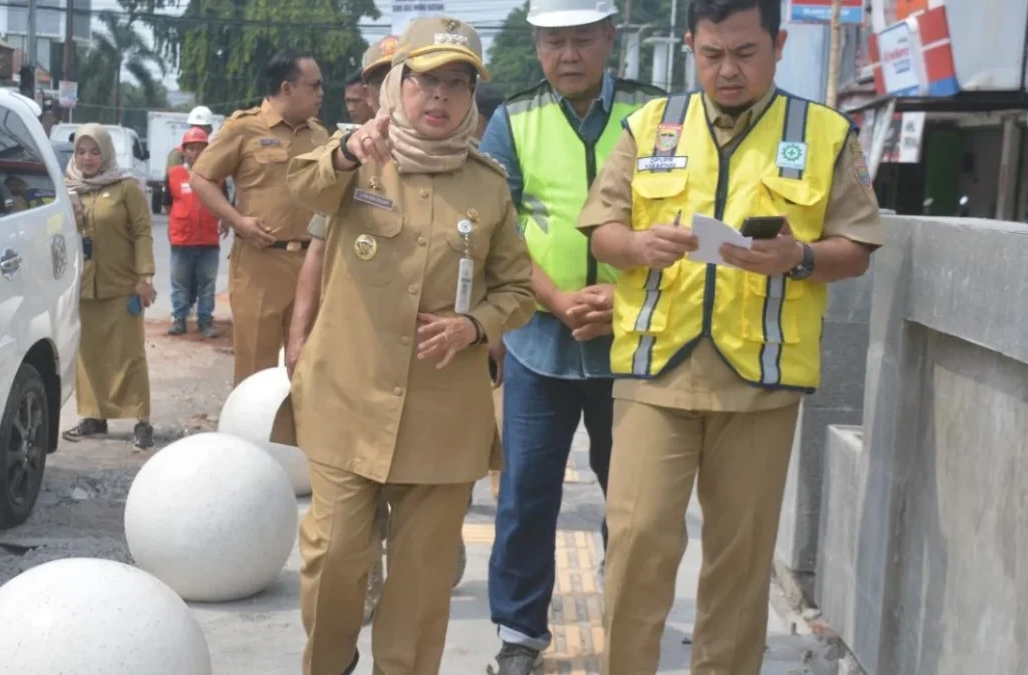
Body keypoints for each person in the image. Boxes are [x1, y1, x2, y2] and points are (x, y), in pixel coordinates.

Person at [576, 0, 884, 672]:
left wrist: (798, 258)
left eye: (745, 53)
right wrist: (637, 243)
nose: (728, 70)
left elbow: (857, 246)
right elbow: (603, 229)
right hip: (657, 370)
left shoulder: (825, 132)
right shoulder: (649, 124)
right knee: (636, 544)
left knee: (739, 566)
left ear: (777, 44)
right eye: (712, 54)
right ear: (690, 45)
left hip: (760, 382)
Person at [285, 17, 534, 675]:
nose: (440, 97)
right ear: (398, 83)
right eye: (427, 80)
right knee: (335, 555)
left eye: (457, 84)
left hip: (443, 412)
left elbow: (517, 288)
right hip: (347, 396)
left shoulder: (488, 184)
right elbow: (301, 192)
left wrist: (475, 324)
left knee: (422, 581)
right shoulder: (356, 153)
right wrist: (344, 153)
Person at [478, 0, 665, 670]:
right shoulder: (512, 118)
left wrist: (624, 298)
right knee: (527, 492)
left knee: (635, 500)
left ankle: (630, 624)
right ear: (537, 47)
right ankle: (520, 633)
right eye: (553, 42)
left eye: (581, 40)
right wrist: (555, 299)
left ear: (610, 39)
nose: (567, 55)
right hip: (539, 340)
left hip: (636, 340)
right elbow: (498, 228)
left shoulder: (656, 113)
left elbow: (682, 217)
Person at [285, 32, 406, 628]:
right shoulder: (346, 154)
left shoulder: (461, 153)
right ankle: (362, 582)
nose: (389, 85)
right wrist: (297, 336)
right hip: (353, 358)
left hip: (424, 364)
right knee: (349, 494)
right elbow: (316, 248)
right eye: (379, 75)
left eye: (399, 72)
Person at [190, 48, 329, 400]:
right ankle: (251, 446)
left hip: (312, 264)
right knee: (256, 366)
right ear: (287, 88)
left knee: (309, 363)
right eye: (314, 86)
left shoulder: (319, 136)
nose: (321, 94)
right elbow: (201, 178)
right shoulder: (244, 128)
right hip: (260, 263)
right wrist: (238, 221)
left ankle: (300, 449)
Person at [61, 123, 158, 451]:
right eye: (81, 151)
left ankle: (141, 420)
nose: (87, 159)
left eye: (94, 151)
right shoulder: (66, 186)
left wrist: (145, 278)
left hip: (122, 286)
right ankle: (93, 416)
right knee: (88, 356)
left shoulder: (125, 186)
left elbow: (143, 231)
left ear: (106, 153)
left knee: (129, 353)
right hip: (83, 288)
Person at [164, 127, 225, 338]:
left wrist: (225, 221)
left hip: (208, 240)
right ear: (184, 151)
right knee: (179, 283)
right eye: (192, 148)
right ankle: (179, 319)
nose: (196, 152)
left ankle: (205, 321)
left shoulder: (216, 176)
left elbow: (223, 204)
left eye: (200, 148)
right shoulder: (174, 175)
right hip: (182, 240)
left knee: (207, 285)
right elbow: (167, 205)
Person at [167, 105, 215, 170]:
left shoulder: (213, 154)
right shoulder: (176, 155)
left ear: (210, 130)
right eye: (195, 126)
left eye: (201, 128)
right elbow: (173, 178)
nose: (198, 131)